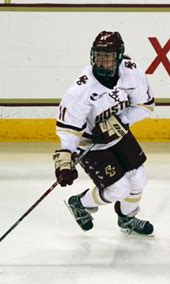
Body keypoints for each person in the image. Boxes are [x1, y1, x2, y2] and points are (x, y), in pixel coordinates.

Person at [53, 31, 155, 236]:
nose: (102, 60)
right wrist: (65, 161)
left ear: (119, 56)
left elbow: (146, 106)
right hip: (92, 144)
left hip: (119, 135)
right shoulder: (81, 90)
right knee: (119, 189)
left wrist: (119, 122)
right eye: (99, 55)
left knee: (139, 179)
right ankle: (79, 203)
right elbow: (68, 129)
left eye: (107, 56)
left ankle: (127, 218)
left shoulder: (132, 73)